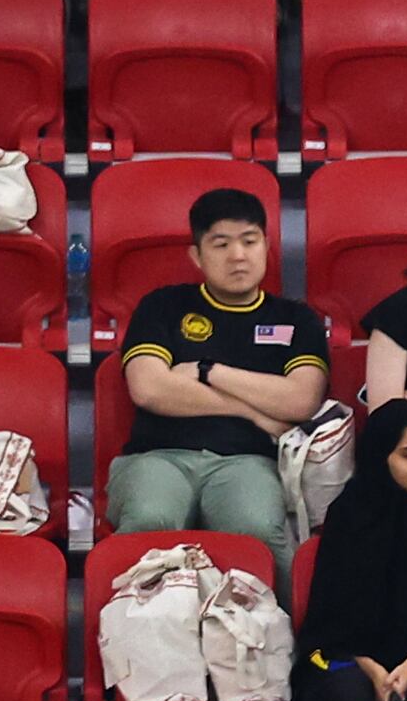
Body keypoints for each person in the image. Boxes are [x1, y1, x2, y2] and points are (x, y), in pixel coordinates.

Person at [102, 192, 324, 547]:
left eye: (249, 241)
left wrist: (207, 370)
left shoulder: (296, 319)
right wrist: (252, 410)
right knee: (151, 518)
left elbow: (301, 401)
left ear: (267, 246)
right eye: (221, 244)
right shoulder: (163, 305)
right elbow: (149, 389)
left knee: (254, 530)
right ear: (197, 255)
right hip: (158, 456)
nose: (238, 255)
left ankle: (275, 605)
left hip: (248, 460)